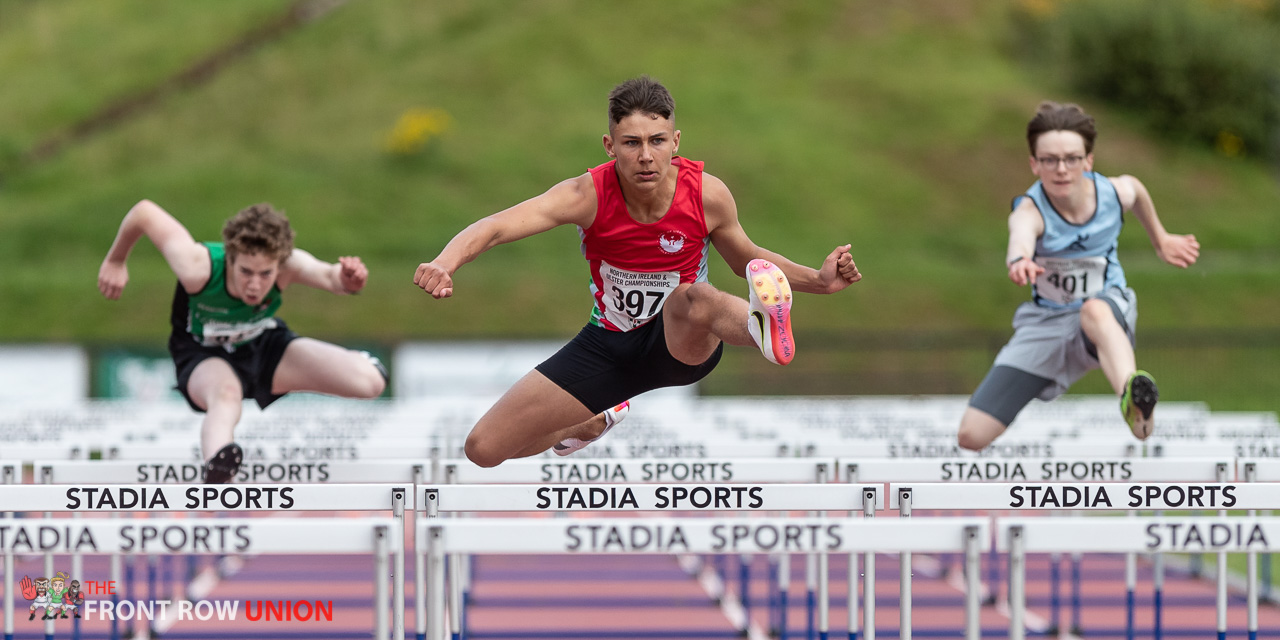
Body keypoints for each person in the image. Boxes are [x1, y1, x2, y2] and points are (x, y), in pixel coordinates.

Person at [413, 76, 861, 467]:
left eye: (657, 140)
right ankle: (593, 421)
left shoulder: (707, 195)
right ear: (610, 147)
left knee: (694, 297)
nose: (646, 156)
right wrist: (443, 262)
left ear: (676, 141)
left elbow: (749, 260)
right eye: (632, 143)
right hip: (607, 346)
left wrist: (820, 281)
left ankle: (760, 325)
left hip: (679, 341)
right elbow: (495, 227)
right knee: (483, 448)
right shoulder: (585, 195)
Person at [958, 101, 1200, 451]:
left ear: (1088, 160)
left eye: (1071, 158)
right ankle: (1133, 404)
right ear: (1034, 164)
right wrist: (1020, 259)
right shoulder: (1031, 209)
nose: (1061, 169)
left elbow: (1137, 191)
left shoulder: (1115, 193)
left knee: (1094, 310)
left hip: (1105, 312)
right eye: (1050, 160)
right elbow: (1020, 234)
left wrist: (1160, 239)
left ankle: (1133, 401)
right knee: (971, 435)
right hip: (1047, 323)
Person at [99, 200, 388, 482]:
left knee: (370, 383)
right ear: (230, 259)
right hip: (202, 355)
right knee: (226, 394)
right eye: (245, 272)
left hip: (262, 343)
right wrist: (116, 259)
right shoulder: (198, 266)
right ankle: (218, 464)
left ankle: (361, 363)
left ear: (279, 266)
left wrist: (350, 280)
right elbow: (144, 212)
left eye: (266, 275)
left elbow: (330, 276)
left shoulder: (290, 264)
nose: (255, 284)